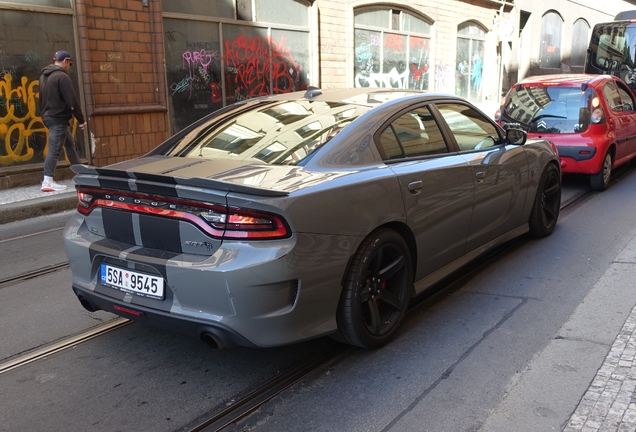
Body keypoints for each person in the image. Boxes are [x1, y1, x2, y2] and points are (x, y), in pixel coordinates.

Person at [39, 50, 87, 192]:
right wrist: (81, 119)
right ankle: (47, 180)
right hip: (58, 117)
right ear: (65, 61)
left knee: (70, 144)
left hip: (49, 116)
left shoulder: (44, 77)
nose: (69, 66)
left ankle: (82, 175)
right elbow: (72, 100)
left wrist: (44, 116)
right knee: (55, 148)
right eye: (70, 63)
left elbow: (40, 100)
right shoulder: (62, 77)